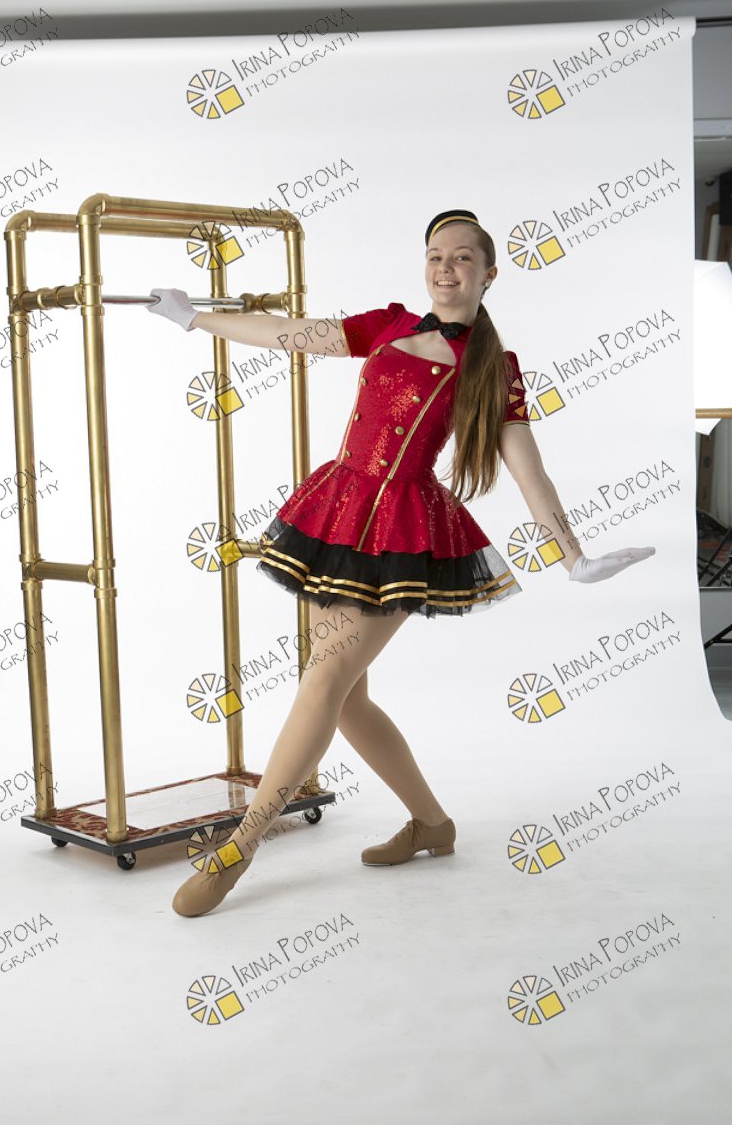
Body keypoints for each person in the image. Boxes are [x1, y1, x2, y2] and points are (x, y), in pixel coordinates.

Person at [147, 208, 655, 918]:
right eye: (436, 256)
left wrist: (572, 556)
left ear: (489, 273)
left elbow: (527, 467)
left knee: (323, 680)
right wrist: (194, 318)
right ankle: (432, 824)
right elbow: (294, 334)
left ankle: (240, 847)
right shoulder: (389, 325)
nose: (447, 268)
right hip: (338, 510)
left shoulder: (492, 366)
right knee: (346, 696)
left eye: (463, 257)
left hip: (402, 532)